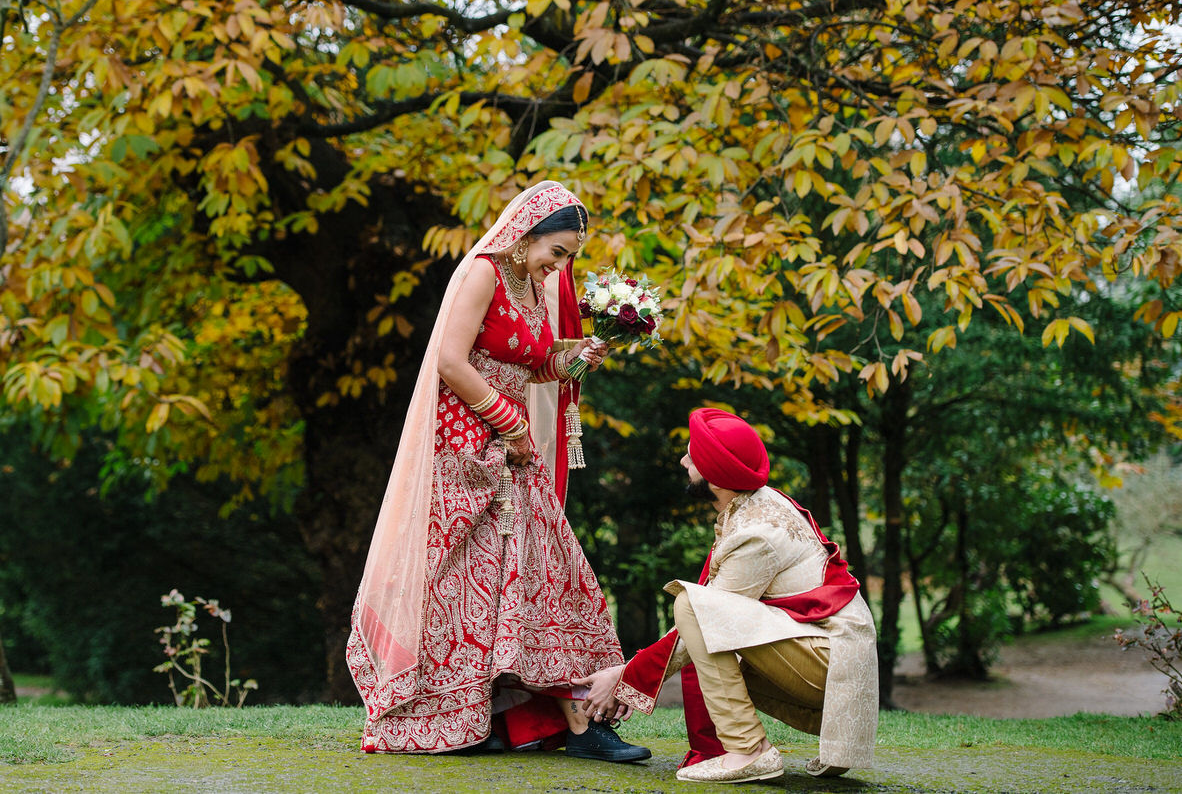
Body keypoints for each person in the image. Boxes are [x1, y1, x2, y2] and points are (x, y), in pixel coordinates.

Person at [346, 180, 650, 763]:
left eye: (567, 258)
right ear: (526, 233)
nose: (558, 267)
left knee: (547, 571)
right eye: (555, 252)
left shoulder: (532, 286)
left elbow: (536, 363)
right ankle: (455, 716)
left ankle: (582, 722)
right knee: (458, 586)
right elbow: (450, 360)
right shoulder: (483, 271)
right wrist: (505, 421)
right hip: (464, 447)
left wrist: (581, 353)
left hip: (512, 449)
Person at [574, 408, 878, 783]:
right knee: (705, 619)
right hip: (833, 653)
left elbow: (702, 623)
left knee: (691, 604)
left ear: (715, 474)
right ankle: (755, 749)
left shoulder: (756, 535)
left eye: (693, 456)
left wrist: (624, 676)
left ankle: (748, 751)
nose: (684, 460)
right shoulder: (755, 505)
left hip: (829, 664)